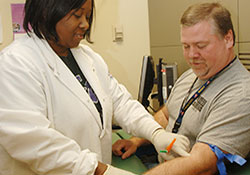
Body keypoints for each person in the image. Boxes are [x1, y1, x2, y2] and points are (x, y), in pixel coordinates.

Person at [0, 0, 192, 174]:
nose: (85, 24)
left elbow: (121, 102)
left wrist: (156, 133)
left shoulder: (88, 58)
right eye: (77, 15)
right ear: (46, 12)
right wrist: (98, 170)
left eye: (88, 16)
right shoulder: (16, 63)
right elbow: (32, 141)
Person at [112, 2, 250, 175]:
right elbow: (166, 114)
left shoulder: (241, 95)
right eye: (186, 46)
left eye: (201, 46)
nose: (192, 55)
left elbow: (202, 165)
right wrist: (137, 141)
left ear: (228, 39)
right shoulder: (193, 74)